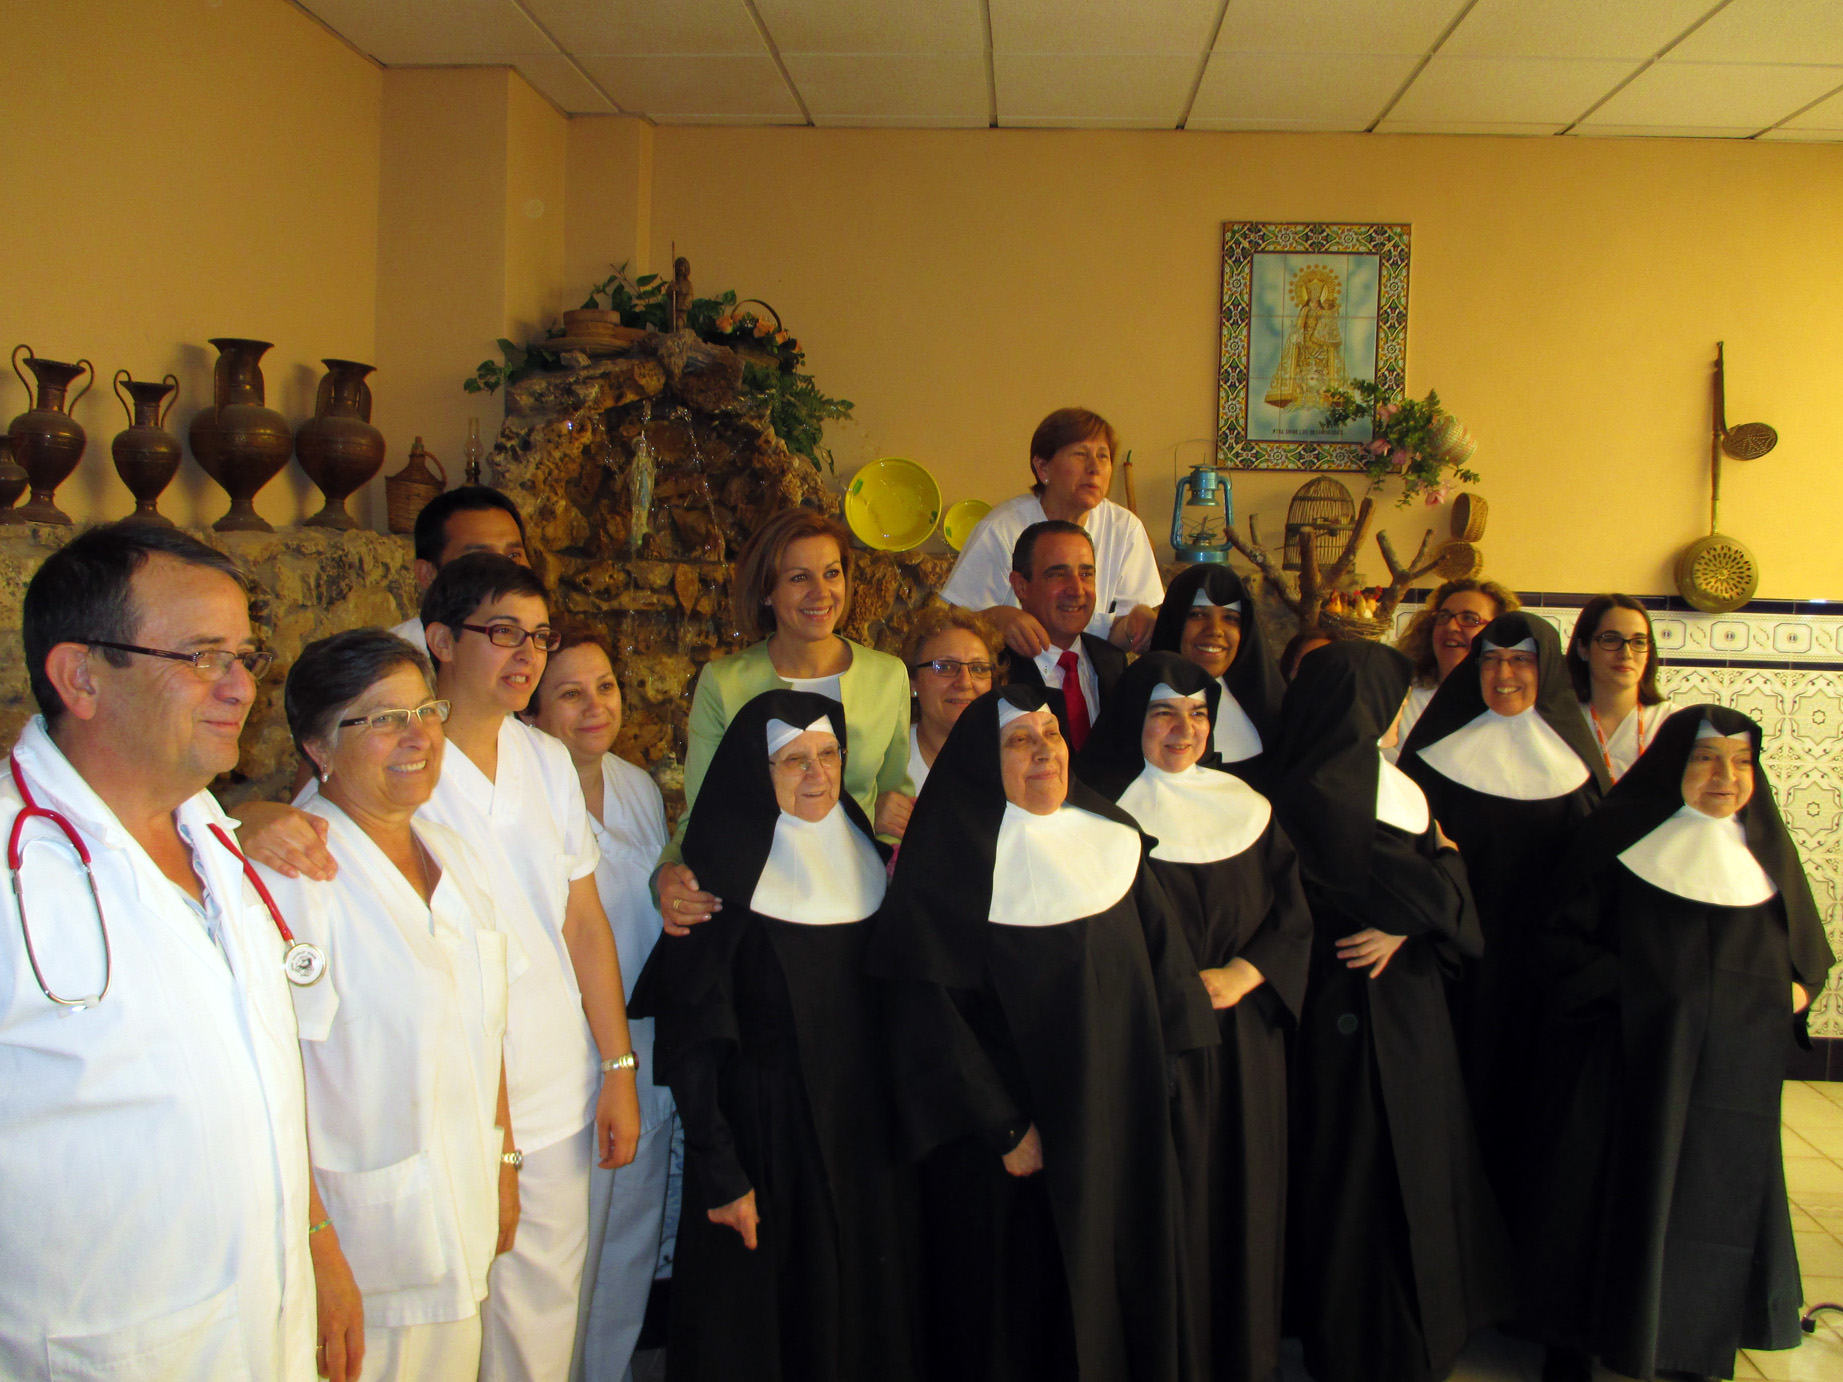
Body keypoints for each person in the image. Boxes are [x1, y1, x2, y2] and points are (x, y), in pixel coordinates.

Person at [0, 523, 357, 1381]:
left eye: (244, 656)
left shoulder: (220, 843)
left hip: (264, 1325)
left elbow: (257, 1090)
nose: (242, 687)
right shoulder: (14, 871)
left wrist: (317, 1242)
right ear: (81, 676)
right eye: (202, 657)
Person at [870, 685, 1218, 1382]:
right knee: (1026, 1311)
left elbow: (1167, 971)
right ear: (982, 761)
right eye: (1018, 741)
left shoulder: (1112, 839)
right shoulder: (944, 869)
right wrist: (1001, 1126)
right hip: (1015, 1148)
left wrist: (1171, 1084)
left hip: (1124, 1121)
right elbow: (926, 1017)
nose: (1042, 752)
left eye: (1051, 735)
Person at [1522, 707, 1833, 1382]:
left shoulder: (1764, 850)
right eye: (1705, 758)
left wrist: (1797, 991)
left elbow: (1807, 954)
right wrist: (1643, 992)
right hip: (1623, 1067)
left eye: (1742, 762)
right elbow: (1559, 945)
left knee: (1709, 1201)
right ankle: (1577, 1339)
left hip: (1728, 1077)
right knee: (1604, 1201)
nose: (1726, 776)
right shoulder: (1612, 840)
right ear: (1671, 766)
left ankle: (1689, 1340)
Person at [629, 691, 922, 1381]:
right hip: (762, 1148)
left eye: (828, 755)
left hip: (865, 1142)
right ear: (755, 774)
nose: (817, 774)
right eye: (793, 760)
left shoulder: (867, 854)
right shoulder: (717, 878)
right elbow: (693, 1044)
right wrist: (719, 1171)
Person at [263, 629, 518, 1381]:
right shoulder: (295, 877)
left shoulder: (453, 854)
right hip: (361, 1246)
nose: (419, 737)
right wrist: (317, 1249)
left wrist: (505, 1162)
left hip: (461, 1207)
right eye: (382, 719)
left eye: (426, 711)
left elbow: (488, 1026)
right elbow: (272, 1087)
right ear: (319, 746)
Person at [416, 554, 643, 1382]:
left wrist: (617, 1067)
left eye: (538, 637)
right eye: (503, 632)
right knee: (442, 1334)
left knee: (542, 1327)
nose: (526, 656)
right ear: (441, 640)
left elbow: (582, 923)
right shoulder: (403, 757)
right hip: (449, 1093)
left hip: (555, 1086)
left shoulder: (544, 761)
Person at [1272, 639, 1511, 1382]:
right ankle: (1364, 1338)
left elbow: (1430, 890)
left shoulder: (1382, 782)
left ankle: (1410, 1320)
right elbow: (1420, 884)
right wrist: (1437, 888)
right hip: (1348, 1003)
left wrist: (1417, 916)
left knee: (1409, 1157)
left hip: (1401, 998)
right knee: (1358, 1169)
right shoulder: (1322, 787)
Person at [1075, 653, 1311, 1382]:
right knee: (1164, 1207)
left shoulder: (1249, 806)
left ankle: (1243, 1362)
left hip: (1244, 1047)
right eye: (1162, 713)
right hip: (1149, 1046)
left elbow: (1294, 916)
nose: (1183, 730)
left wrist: (1245, 972)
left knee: (1244, 1203)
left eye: (1197, 715)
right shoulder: (1095, 812)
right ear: (1133, 721)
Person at [1397, 610, 1609, 1197]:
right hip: (1453, 965)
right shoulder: (1434, 759)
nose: (1504, 674)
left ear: (1549, 670)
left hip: (1539, 975)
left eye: (1521, 660)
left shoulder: (1576, 770)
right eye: (1490, 659)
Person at [518, 622, 677, 1382]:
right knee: (561, 1267)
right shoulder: (523, 800)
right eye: (570, 694)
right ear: (532, 709)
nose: (595, 707)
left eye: (605, 686)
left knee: (629, 1248)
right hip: (571, 1061)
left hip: (643, 1049)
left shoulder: (637, 786)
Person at [655, 508, 912, 927]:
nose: (821, 593)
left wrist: (882, 837)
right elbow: (702, 813)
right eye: (798, 578)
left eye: (831, 574)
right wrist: (665, 875)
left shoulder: (888, 677)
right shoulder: (725, 683)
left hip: (859, 900)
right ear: (766, 592)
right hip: (758, 904)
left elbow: (894, 800)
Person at [941, 407, 1163, 655]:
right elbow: (951, 621)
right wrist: (997, 618)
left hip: (1090, 670)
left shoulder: (1126, 529)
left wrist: (1136, 625)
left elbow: (1115, 635)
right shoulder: (1000, 530)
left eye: (1103, 456)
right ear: (1043, 468)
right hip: (1014, 670)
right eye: (1080, 454)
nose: (1095, 468)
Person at [1148, 565, 1286, 789]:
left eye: (1230, 618)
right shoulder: (1137, 706)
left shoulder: (1274, 710)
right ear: (1175, 621)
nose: (1214, 630)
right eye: (1197, 615)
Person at [997, 520, 1127, 753]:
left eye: (1086, 574)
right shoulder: (996, 669)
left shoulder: (1114, 662)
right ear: (1021, 587)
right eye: (1058, 574)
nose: (1077, 590)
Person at [1387, 577, 1520, 759]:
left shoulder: (1514, 704)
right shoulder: (1401, 696)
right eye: (1443, 616)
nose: (1450, 626)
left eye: (1469, 619)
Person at [393, 485, 532, 648]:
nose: (504, 570)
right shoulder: (396, 659)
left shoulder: (541, 647)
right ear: (428, 574)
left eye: (513, 555)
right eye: (481, 558)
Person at [1566, 595, 1677, 782]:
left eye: (1639, 642)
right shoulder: (1560, 720)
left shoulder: (1673, 722)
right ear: (1583, 648)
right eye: (1611, 640)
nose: (1626, 654)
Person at [902, 603, 1005, 793]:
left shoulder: (1011, 758)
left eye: (978, 668)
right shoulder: (884, 766)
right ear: (912, 683)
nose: (965, 682)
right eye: (945, 667)